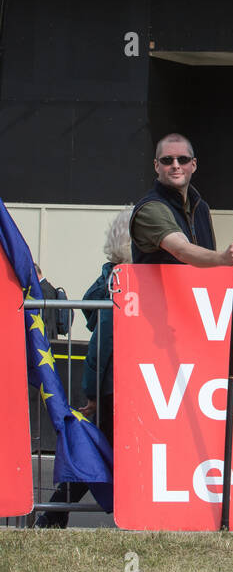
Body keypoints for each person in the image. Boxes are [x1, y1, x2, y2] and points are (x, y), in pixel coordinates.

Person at [35, 209, 130, 529]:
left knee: (97, 451)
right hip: (119, 387)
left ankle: (53, 513)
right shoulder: (125, 281)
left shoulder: (109, 276)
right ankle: (53, 514)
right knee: (101, 452)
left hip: (115, 386)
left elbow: (94, 318)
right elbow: (103, 342)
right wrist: (93, 392)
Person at [129, 133, 233, 266]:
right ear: (157, 166)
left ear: (193, 164)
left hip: (199, 287)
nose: (176, 165)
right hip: (158, 287)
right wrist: (223, 258)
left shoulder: (201, 207)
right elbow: (180, 250)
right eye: (167, 160)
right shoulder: (150, 208)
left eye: (183, 159)